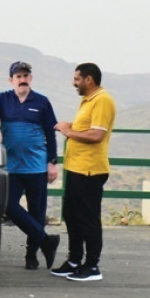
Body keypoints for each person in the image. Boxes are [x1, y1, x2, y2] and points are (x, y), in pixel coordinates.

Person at [0, 61, 60, 270]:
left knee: (37, 212)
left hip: (37, 168)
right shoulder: (3, 99)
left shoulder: (42, 102)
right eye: (18, 76)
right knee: (8, 207)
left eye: (25, 76)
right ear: (11, 80)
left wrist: (52, 162)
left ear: (31, 78)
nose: (22, 80)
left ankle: (32, 256)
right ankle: (45, 240)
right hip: (12, 168)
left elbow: (50, 132)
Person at [51, 62, 116, 283]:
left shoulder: (102, 100)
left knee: (88, 219)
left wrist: (68, 131)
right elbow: (85, 128)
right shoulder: (87, 100)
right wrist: (68, 125)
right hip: (76, 168)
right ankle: (74, 261)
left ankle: (92, 265)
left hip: (90, 170)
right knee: (71, 215)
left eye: (77, 79)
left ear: (89, 80)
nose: (73, 83)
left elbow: (97, 135)